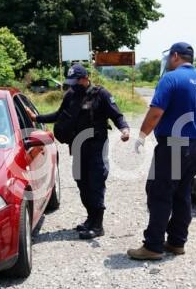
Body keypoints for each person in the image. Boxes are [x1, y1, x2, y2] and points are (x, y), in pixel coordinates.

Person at [127, 42, 196, 261]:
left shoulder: (171, 78)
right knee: (183, 194)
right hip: (195, 146)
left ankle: (153, 246)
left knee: (160, 193)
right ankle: (176, 242)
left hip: (173, 146)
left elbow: (156, 112)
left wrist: (142, 136)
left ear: (175, 56)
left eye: (169, 58)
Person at [26, 63, 130, 239]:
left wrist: (125, 129)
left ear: (84, 79)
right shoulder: (71, 95)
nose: (72, 85)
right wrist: (37, 118)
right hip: (78, 147)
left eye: (75, 81)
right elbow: (59, 115)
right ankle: (90, 219)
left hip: (96, 147)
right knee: (82, 183)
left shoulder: (101, 94)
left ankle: (98, 226)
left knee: (96, 183)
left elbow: (116, 115)